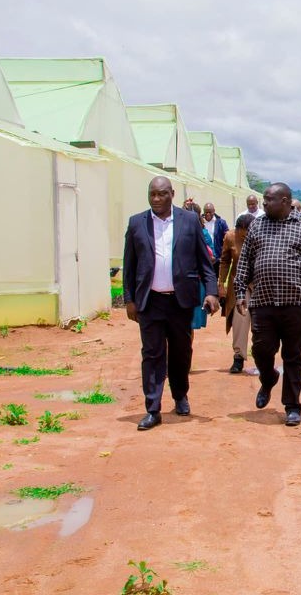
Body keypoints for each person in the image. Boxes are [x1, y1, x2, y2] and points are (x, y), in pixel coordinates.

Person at [122, 176, 219, 431]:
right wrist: (129, 300)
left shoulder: (189, 221)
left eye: (161, 194)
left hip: (180, 301)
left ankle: (180, 395)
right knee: (152, 354)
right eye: (152, 194)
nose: (156, 199)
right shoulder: (137, 223)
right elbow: (129, 266)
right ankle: (152, 409)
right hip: (150, 300)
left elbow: (204, 261)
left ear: (172, 194)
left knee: (180, 352)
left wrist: (211, 292)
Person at [234, 183, 301, 427]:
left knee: (293, 355)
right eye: (264, 199)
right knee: (261, 349)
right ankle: (268, 378)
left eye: (269, 199)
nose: (264, 203)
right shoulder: (257, 225)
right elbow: (245, 260)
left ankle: (292, 405)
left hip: (296, 303)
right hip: (263, 301)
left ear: (286, 201)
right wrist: (239, 291)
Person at [218, 214, 255, 373]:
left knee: (261, 322)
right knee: (240, 319)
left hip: (259, 283)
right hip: (239, 284)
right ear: (238, 230)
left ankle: (261, 355)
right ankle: (238, 357)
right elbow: (225, 261)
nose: (245, 237)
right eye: (242, 235)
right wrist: (221, 283)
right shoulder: (230, 237)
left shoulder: (262, 234)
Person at [182, 202, 216, 330]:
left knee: (189, 324)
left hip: (196, 282)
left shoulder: (203, 234)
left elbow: (211, 258)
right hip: (178, 282)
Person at [201, 202, 228, 269]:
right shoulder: (200, 223)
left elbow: (227, 239)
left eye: (210, 212)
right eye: (206, 212)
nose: (208, 214)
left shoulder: (221, 223)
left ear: (214, 211)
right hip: (204, 257)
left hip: (217, 258)